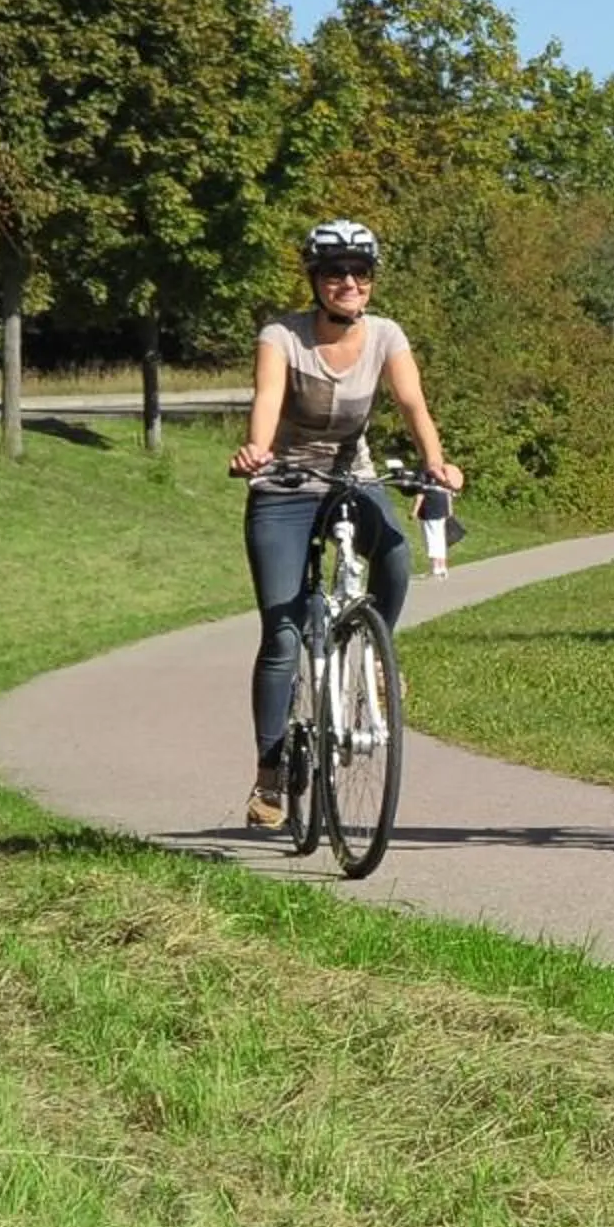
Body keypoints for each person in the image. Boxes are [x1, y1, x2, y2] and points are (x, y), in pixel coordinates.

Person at [227, 219, 463, 828]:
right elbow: (268, 399)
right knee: (283, 634)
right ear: (315, 279)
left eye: (361, 272)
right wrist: (257, 450)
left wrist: (435, 465)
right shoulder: (282, 335)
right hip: (284, 483)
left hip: (351, 478)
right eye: (335, 273)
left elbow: (412, 403)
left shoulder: (386, 335)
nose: (349, 283)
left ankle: (378, 658)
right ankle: (270, 777)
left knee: (395, 555)